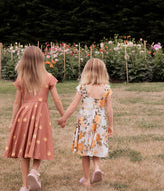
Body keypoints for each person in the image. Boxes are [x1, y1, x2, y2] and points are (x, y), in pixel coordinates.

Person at [4, 46, 65, 191]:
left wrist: (13, 122)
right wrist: (63, 115)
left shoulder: (22, 78)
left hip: (24, 115)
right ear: (41, 60)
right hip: (41, 115)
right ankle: (34, 171)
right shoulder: (48, 77)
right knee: (40, 145)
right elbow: (56, 100)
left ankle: (25, 186)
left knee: (25, 150)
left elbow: (17, 102)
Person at [58, 58, 113, 186]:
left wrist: (63, 118)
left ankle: (87, 179)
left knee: (85, 151)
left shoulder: (83, 87)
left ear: (86, 72)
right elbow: (109, 109)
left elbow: (73, 105)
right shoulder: (106, 88)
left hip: (85, 122)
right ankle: (97, 167)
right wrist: (110, 125)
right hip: (100, 121)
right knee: (96, 145)